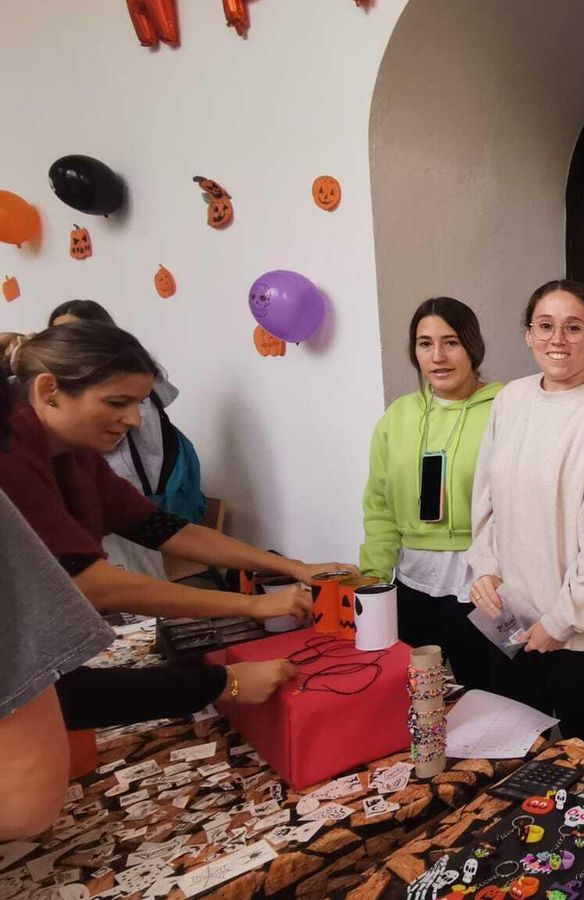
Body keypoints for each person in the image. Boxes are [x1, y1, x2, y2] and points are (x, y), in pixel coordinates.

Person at [0, 323, 345, 723]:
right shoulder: (11, 457)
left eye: (139, 405)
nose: (133, 420)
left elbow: (164, 528)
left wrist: (292, 567)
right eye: (117, 403)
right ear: (48, 391)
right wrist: (251, 605)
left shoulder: (76, 456)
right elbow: (92, 584)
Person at [467, 280, 584, 753]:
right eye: (545, 326)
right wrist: (483, 566)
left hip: (576, 633)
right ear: (528, 334)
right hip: (509, 616)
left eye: (573, 328)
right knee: (515, 751)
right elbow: (485, 496)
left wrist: (559, 623)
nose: (557, 340)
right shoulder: (512, 400)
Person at [360, 297, 502, 691]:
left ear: (472, 346)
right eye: (425, 344)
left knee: (491, 698)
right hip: (413, 585)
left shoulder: (506, 408)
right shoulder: (398, 416)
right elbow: (379, 503)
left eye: (451, 342)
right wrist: (374, 571)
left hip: (483, 585)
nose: (437, 356)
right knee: (421, 700)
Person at [47, 300, 202, 578]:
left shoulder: (104, 485)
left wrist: (282, 572)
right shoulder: (28, 469)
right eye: (117, 403)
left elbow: (162, 537)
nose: (134, 419)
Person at [0, 487, 113, 839]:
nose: (133, 427)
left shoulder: (80, 467)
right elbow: (23, 800)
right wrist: (222, 683)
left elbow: (150, 522)